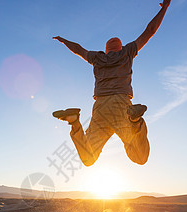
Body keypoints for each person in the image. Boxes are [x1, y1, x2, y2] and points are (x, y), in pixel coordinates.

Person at [52, 0, 171, 167]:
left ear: (106, 50)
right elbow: (150, 31)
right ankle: (135, 121)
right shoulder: (127, 52)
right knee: (140, 157)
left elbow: (78, 49)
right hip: (122, 106)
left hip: (100, 107)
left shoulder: (97, 58)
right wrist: (164, 8)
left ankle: (74, 121)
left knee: (88, 158)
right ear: (120, 47)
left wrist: (64, 41)